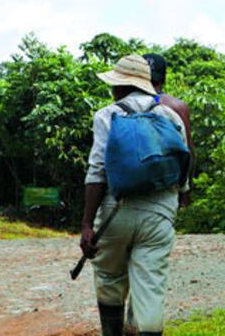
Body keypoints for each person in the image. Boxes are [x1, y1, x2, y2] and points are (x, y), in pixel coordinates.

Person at [80, 54, 186, 336]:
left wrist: (87, 224)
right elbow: (183, 170)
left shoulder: (107, 115)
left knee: (109, 276)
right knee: (150, 286)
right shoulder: (171, 116)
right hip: (160, 214)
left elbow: (97, 171)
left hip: (116, 210)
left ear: (121, 87)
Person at [142, 53, 195, 207]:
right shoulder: (177, 106)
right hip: (166, 184)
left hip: (129, 183)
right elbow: (188, 151)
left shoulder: (122, 104)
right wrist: (186, 190)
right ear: (163, 78)